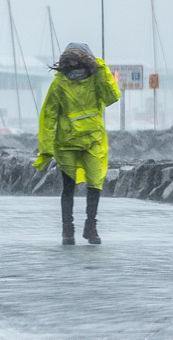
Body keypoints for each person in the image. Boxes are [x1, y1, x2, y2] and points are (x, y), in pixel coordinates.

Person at [34, 43, 121, 245]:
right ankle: (79, 228)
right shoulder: (60, 85)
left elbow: (111, 97)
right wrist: (46, 150)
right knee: (89, 186)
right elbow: (49, 116)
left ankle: (78, 228)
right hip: (75, 143)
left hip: (86, 142)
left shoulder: (86, 81)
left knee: (81, 185)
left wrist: (101, 71)